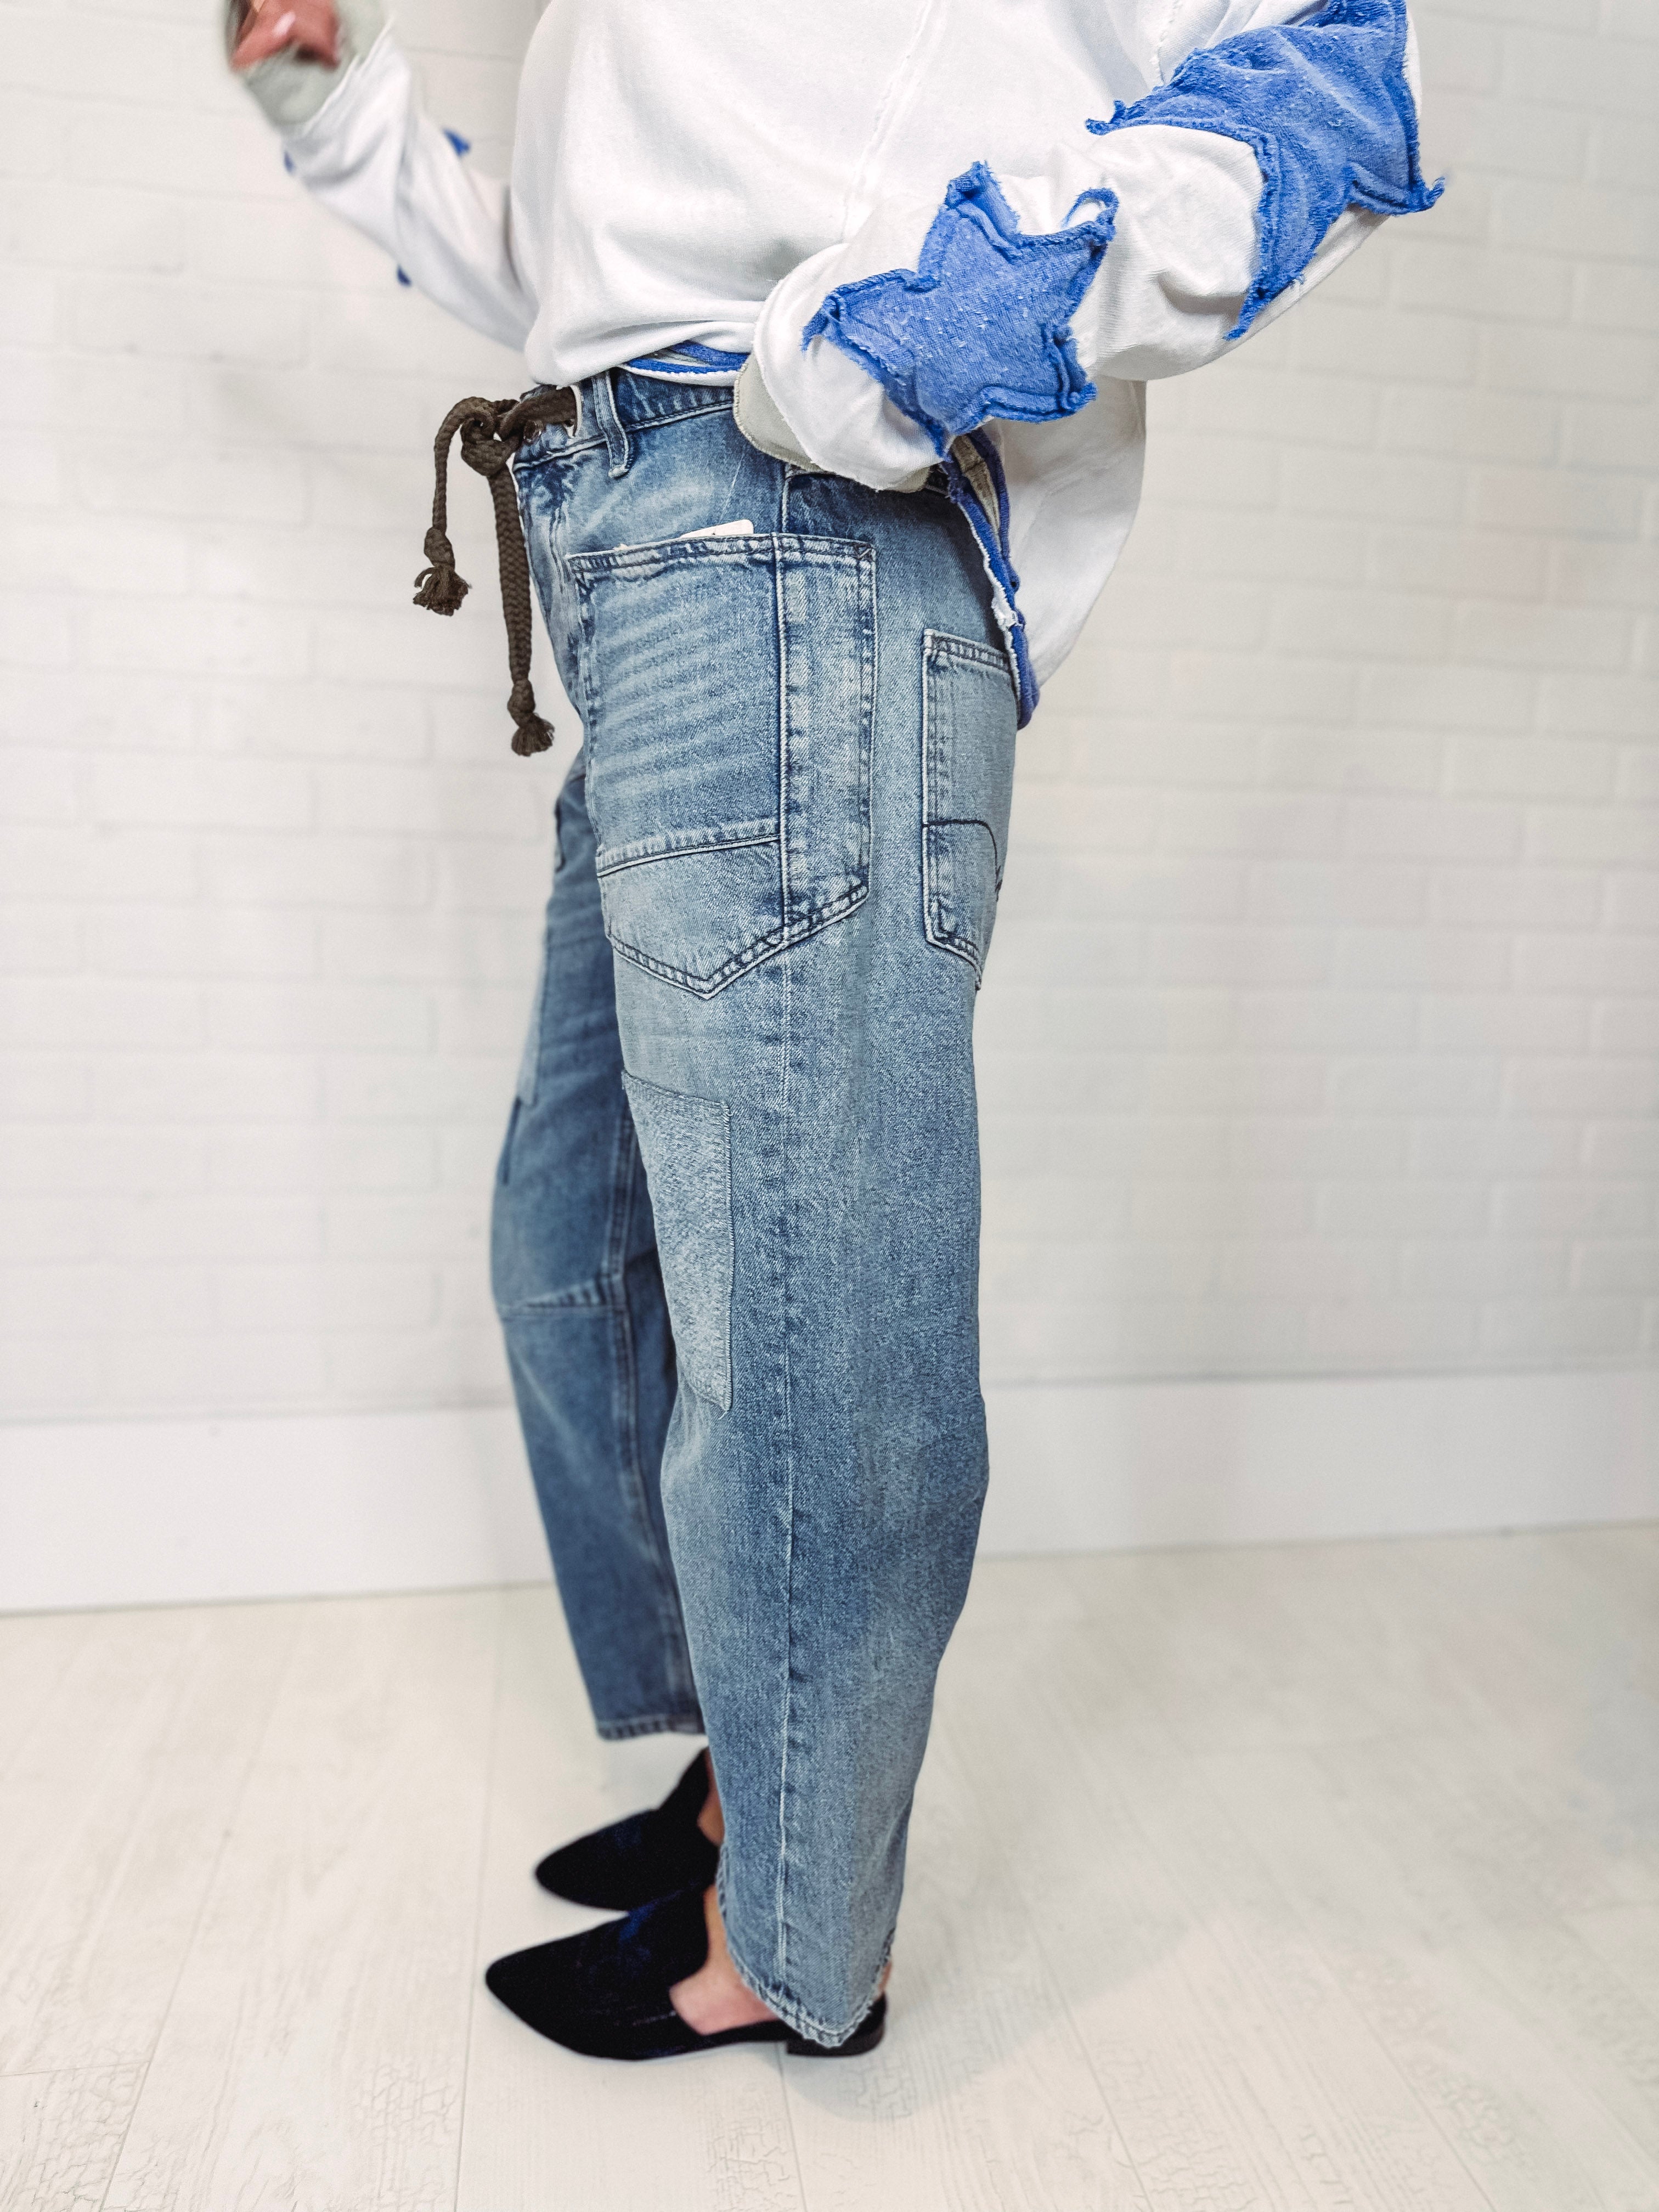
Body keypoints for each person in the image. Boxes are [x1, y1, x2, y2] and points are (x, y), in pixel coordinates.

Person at [227, 0, 1439, 2062]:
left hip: (792, 540)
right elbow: (600, 260)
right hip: (644, 546)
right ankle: (756, 1773)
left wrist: (896, 348)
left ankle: (796, 1947)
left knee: (810, 1330)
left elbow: (1330, 74)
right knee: (579, 1248)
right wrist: (335, 110)